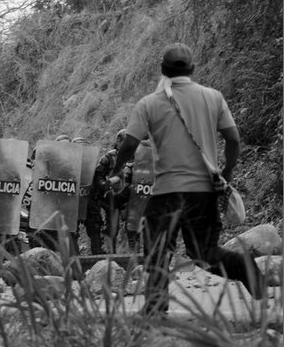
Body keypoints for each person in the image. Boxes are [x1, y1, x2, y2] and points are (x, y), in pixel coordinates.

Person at [110, 42, 265, 317]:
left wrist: (117, 170)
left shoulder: (149, 103)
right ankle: (248, 270)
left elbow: (129, 143)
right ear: (192, 69)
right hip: (203, 193)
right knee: (205, 252)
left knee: (156, 250)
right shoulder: (213, 97)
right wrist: (226, 172)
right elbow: (233, 139)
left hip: (166, 193)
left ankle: (156, 306)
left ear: (162, 70)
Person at [86, 129, 128, 254]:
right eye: (125, 142)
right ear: (118, 142)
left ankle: (131, 252)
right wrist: (104, 185)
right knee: (112, 229)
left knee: (132, 227)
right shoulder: (109, 157)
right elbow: (98, 175)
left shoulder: (137, 156)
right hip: (111, 198)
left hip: (129, 197)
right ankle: (111, 254)